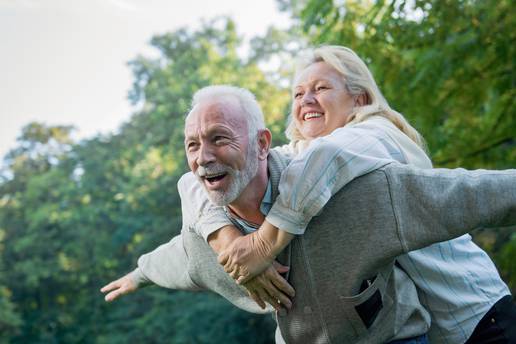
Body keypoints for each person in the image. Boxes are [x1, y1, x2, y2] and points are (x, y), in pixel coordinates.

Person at [101, 85, 516, 343]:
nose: (203, 157)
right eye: (192, 145)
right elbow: (176, 259)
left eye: (219, 138)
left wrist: (266, 244)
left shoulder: (353, 193)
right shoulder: (207, 238)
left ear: (263, 144)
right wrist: (139, 272)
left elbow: (468, 193)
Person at [204, 47, 516, 344]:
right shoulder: (304, 157)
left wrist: (262, 246)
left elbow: (328, 156)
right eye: (298, 94)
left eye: (321, 88)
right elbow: (199, 181)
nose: (306, 100)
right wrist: (227, 241)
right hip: (438, 330)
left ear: (359, 99)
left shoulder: (378, 134)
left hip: (477, 315)